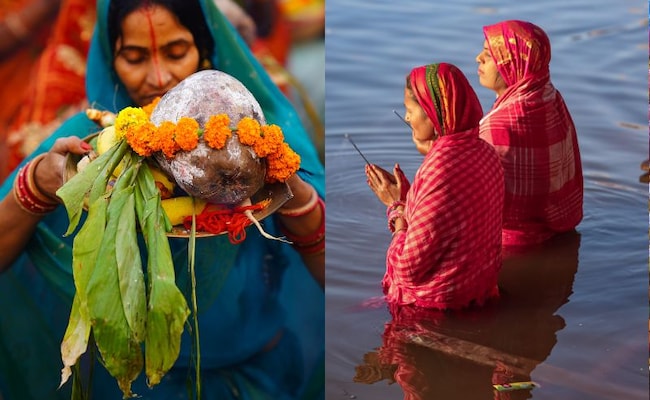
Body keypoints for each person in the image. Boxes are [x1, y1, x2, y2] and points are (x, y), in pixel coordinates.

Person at [0, 0, 324, 399]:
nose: (159, 77)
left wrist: (289, 189)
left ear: (206, 49)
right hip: (121, 383)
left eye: (176, 53)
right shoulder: (88, 142)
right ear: (109, 58)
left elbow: (338, 271)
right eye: (134, 58)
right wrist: (37, 184)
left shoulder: (260, 134)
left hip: (250, 370)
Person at [364, 63, 504, 311]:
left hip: (437, 305)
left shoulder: (439, 170)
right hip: (480, 289)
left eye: (410, 110)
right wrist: (411, 200)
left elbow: (407, 269)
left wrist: (396, 207)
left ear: (432, 113)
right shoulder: (485, 151)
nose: (407, 118)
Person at [475, 20, 583, 248]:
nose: (478, 58)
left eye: (488, 54)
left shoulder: (495, 127)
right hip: (560, 230)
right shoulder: (550, 97)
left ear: (515, 63)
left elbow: (472, 201)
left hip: (510, 247)